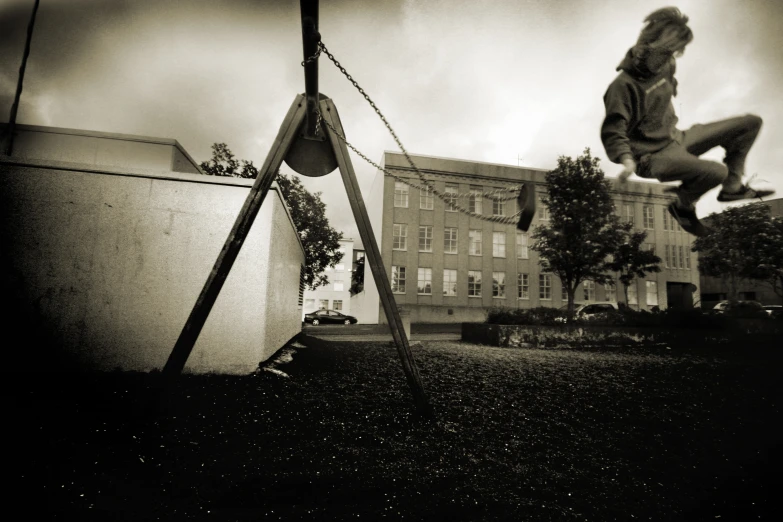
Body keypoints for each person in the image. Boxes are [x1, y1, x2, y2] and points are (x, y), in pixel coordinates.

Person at [600, 7, 774, 236]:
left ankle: (732, 188)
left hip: (677, 138)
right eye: (669, 51)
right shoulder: (623, 86)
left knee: (750, 123)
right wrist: (627, 160)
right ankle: (682, 204)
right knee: (716, 172)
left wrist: (672, 86)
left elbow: (668, 79)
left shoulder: (668, 64)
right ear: (649, 44)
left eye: (678, 51)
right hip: (649, 157)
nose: (673, 57)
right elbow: (614, 129)